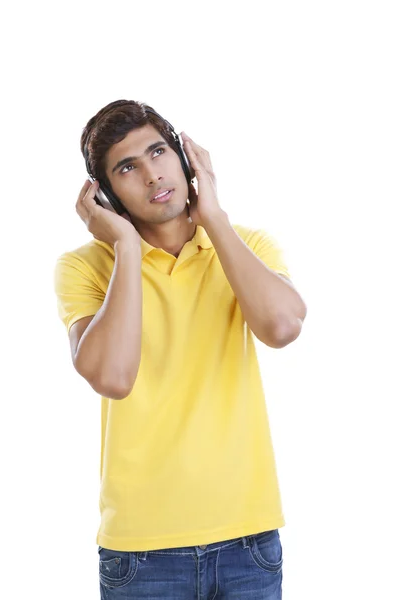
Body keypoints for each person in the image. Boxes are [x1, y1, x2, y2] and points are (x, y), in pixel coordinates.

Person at [53, 99, 307, 599]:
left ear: (186, 158)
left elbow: (281, 326)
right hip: (141, 552)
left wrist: (213, 217)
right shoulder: (84, 266)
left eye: (159, 152)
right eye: (128, 167)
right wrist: (126, 246)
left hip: (248, 542)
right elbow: (113, 378)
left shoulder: (244, 243)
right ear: (105, 193)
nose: (152, 175)